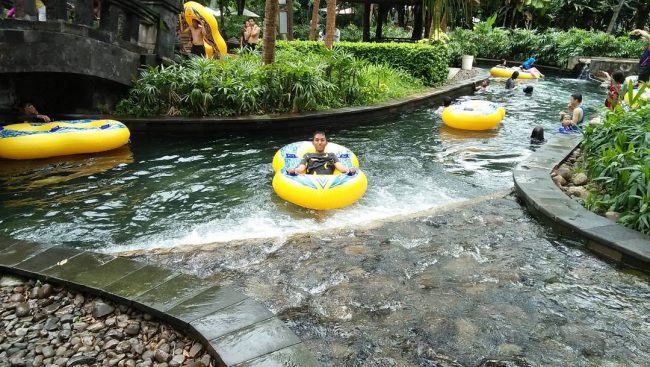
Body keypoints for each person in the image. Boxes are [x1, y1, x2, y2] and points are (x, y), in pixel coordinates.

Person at [287, 131, 357, 176]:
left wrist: (349, 170)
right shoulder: (308, 155)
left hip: (329, 184)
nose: (319, 143)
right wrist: (294, 170)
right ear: (313, 143)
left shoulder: (332, 155)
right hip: (311, 183)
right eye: (317, 140)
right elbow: (301, 168)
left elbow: (340, 167)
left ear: (326, 143)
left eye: (322, 140)